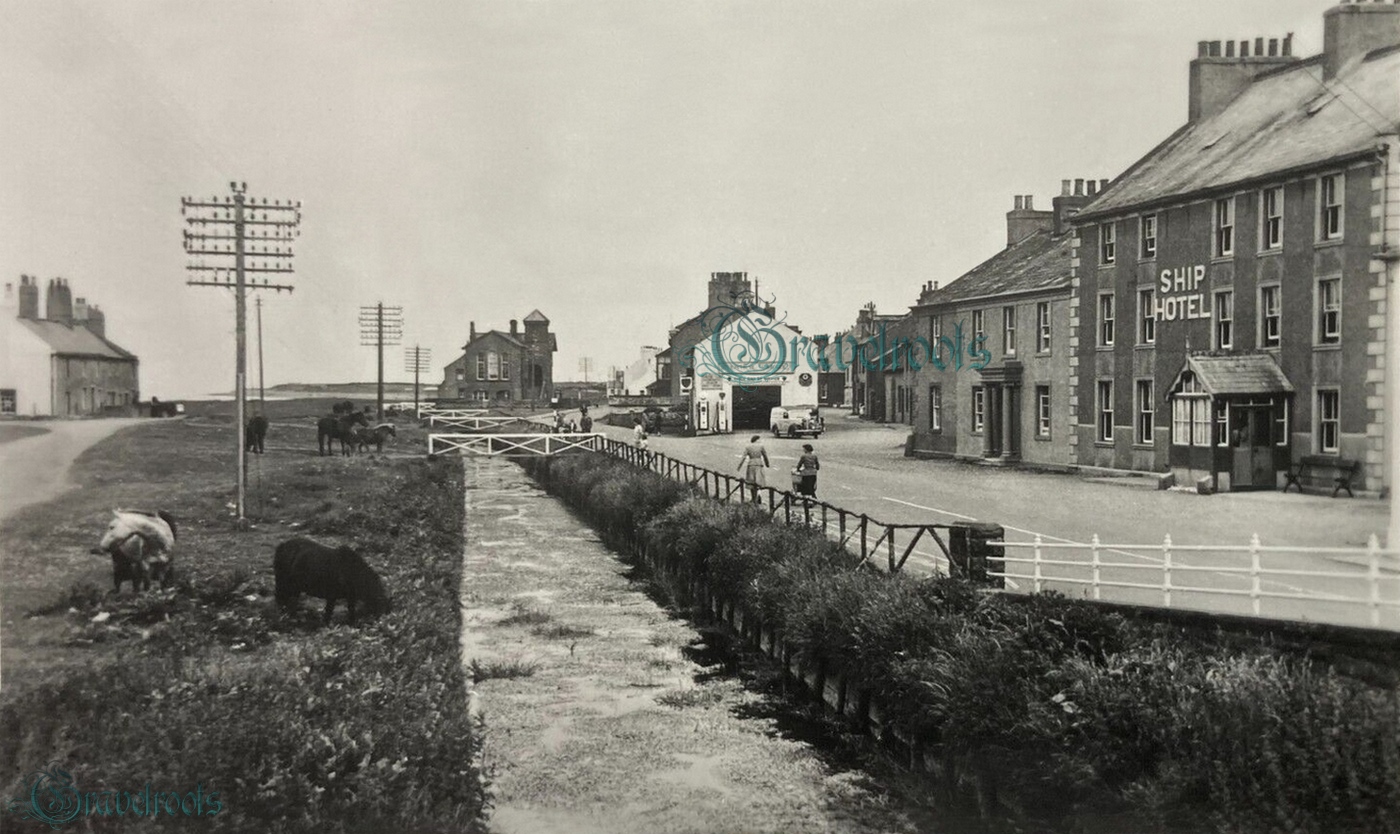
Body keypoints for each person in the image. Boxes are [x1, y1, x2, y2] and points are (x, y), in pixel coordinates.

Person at [737, 434, 770, 502]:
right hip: (759, 464)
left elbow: (743, 457)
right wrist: (767, 464)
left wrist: (739, 466)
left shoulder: (748, 447)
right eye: (759, 440)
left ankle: (753, 498)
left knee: (751, 481)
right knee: (759, 481)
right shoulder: (761, 446)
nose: (760, 441)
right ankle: (759, 494)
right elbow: (765, 456)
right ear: (756, 440)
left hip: (751, 464)